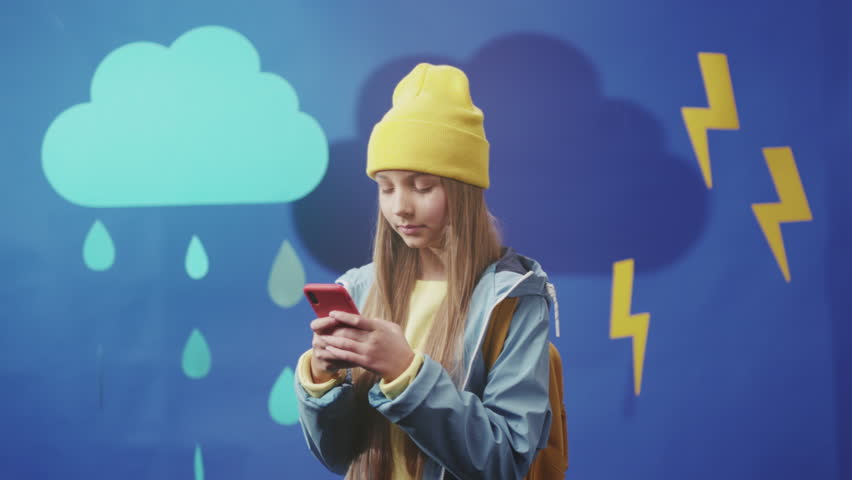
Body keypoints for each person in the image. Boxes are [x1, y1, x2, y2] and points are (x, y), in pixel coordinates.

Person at [294, 63, 560, 480]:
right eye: (386, 187)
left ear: (463, 189)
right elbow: (338, 454)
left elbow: (506, 461)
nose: (400, 207)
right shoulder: (361, 288)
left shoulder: (510, 301)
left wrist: (406, 373)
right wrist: (322, 380)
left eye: (422, 187)